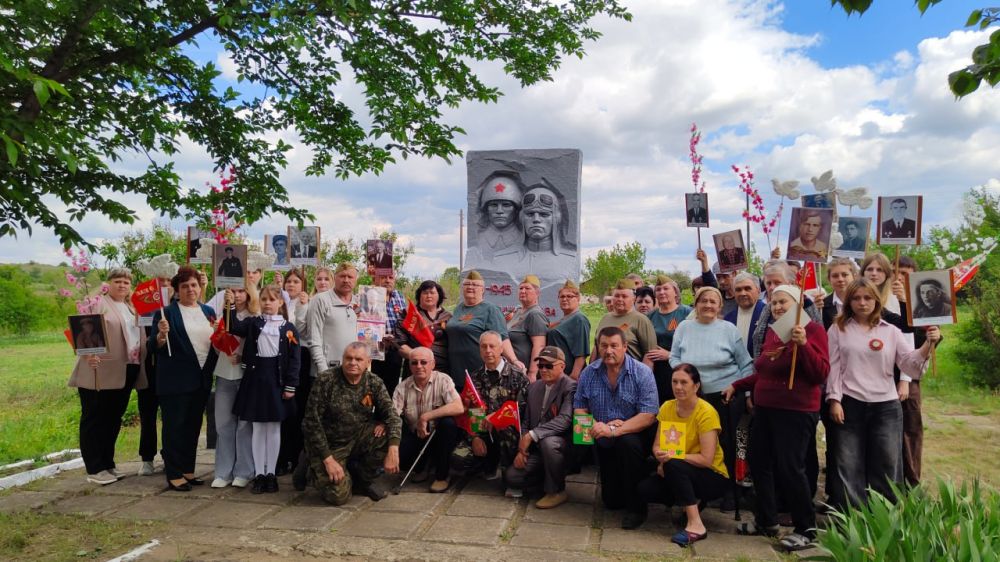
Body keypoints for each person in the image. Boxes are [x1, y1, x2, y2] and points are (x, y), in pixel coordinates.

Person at [723, 285, 830, 550]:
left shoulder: (812, 330)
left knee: (790, 468)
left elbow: (820, 373)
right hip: (766, 408)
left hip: (795, 410)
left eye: (784, 302)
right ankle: (766, 520)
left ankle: (806, 529)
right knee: (759, 463)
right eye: (774, 303)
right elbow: (766, 370)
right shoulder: (775, 331)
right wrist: (738, 384)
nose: (778, 307)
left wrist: (803, 344)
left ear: (797, 303)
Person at [826, 279, 940, 509]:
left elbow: (909, 365)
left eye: (867, 298)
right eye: (856, 298)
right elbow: (833, 367)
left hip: (886, 407)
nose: (862, 303)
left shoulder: (891, 331)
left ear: (876, 301)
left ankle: (885, 517)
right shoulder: (838, 329)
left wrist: (928, 345)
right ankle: (852, 519)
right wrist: (834, 399)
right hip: (850, 404)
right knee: (849, 464)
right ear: (849, 302)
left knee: (887, 465)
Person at [669, 286, 753, 507]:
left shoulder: (729, 329)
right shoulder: (685, 327)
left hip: (724, 394)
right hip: (691, 395)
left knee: (724, 443)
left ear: (719, 306)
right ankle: (692, 489)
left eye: (712, 302)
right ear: (695, 304)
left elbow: (746, 364)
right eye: (703, 301)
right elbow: (675, 356)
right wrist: (683, 377)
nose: (707, 305)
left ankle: (726, 489)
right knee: (691, 441)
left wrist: (740, 388)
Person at [636, 364, 730, 546]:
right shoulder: (667, 407)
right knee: (645, 489)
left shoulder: (706, 412)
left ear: (696, 386)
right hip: (678, 468)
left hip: (712, 475)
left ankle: (696, 525)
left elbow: (706, 459)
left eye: (684, 382)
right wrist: (661, 458)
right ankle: (686, 500)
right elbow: (656, 446)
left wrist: (671, 458)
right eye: (675, 382)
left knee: (674, 465)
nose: (678, 387)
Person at [69, 269, 148, 485]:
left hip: (126, 369)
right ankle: (94, 468)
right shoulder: (97, 303)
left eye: (126, 282)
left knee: (113, 419)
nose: (122, 285)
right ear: (108, 283)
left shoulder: (132, 308)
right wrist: (87, 356)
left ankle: (107, 463)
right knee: (94, 418)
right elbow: (80, 332)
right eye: (117, 281)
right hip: (99, 370)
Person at [575, 326, 658, 529]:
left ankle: (637, 508)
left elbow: (648, 415)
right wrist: (597, 427)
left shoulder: (642, 372)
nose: (608, 351)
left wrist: (616, 430)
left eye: (614, 346)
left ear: (625, 347)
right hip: (603, 436)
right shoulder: (589, 372)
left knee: (627, 444)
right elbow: (579, 408)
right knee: (611, 502)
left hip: (633, 435)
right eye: (604, 346)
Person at [302, 342, 401, 505]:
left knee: (387, 435)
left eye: (358, 359)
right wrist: (328, 460)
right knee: (338, 496)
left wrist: (394, 449)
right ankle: (310, 466)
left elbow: (392, 415)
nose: (353, 363)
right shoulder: (326, 380)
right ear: (343, 359)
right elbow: (311, 423)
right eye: (348, 358)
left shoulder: (373, 381)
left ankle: (362, 480)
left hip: (357, 437)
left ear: (368, 362)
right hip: (330, 444)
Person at [149, 266, 219, 492]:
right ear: (177, 290)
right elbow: (153, 346)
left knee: (193, 425)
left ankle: (188, 469)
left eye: (194, 285)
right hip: (175, 381)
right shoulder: (166, 313)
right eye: (185, 286)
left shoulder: (208, 311)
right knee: (174, 426)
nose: (190, 289)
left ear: (200, 287)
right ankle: (174, 472)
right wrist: (161, 335)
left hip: (201, 379)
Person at [225, 285, 301, 494]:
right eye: (264, 299)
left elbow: (295, 360)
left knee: (274, 428)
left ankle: (271, 474)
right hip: (256, 379)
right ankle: (259, 474)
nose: (267, 303)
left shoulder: (289, 328)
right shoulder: (253, 323)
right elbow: (232, 327)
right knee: (258, 428)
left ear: (281, 303)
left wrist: (290, 385)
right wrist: (230, 304)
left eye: (272, 299)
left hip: (276, 381)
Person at [505, 346, 577, 508]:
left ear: (562, 366)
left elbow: (565, 420)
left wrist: (531, 435)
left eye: (549, 366)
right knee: (511, 477)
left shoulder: (570, 387)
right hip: (536, 448)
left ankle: (556, 491)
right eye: (541, 366)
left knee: (549, 443)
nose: (543, 370)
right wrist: (522, 449)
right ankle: (547, 478)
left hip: (561, 446)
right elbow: (526, 420)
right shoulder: (534, 387)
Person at [393, 347, 464, 493]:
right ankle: (422, 467)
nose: (419, 366)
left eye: (423, 362)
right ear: (409, 366)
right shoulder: (402, 387)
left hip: (439, 436)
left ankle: (442, 476)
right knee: (401, 457)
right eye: (414, 363)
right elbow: (393, 415)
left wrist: (426, 416)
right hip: (418, 436)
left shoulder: (443, 380)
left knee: (448, 424)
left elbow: (458, 407)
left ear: (433, 364)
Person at [209, 283, 258, 489]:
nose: (237, 295)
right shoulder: (222, 316)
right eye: (233, 291)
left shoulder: (255, 318)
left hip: (246, 375)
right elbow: (215, 342)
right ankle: (223, 471)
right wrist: (223, 351)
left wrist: (243, 355)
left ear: (248, 293)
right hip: (224, 373)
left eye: (241, 291)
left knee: (244, 425)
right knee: (223, 423)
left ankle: (245, 470)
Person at [467, 331, 529, 485]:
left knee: (512, 479)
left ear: (501, 349)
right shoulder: (475, 377)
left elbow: (522, 410)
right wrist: (475, 437)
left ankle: (510, 471)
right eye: (484, 347)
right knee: (459, 460)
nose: (488, 350)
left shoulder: (517, 376)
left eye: (492, 346)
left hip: (510, 432)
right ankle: (488, 465)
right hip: (484, 429)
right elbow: (473, 410)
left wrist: (496, 417)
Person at [445, 270, 521, 390]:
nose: (470, 287)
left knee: (477, 408)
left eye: (475, 285)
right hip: (456, 372)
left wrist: (514, 360)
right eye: (467, 284)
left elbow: (502, 338)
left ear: (483, 289)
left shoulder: (490, 310)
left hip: (479, 374)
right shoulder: (459, 308)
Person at [492, 183, 578, 278]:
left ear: (556, 219)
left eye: (544, 214)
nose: (536, 219)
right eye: (530, 214)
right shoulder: (501, 259)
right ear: (521, 218)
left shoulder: (570, 260)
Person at [750, 261, 821, 359]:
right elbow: (758, 340)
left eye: (777, 282)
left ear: (791, 283)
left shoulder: (806, 305)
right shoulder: (767, 307)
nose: (772, 287)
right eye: (768, 283)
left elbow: (818, 343)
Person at [642, 274, 692, 403]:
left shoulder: (687, 313)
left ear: (675, 292)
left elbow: (695, 345)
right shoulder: (649, 316)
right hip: (656, 370)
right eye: (658, 290)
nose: (661, 292)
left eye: (665, 288)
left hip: (680, 368)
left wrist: (669, 355)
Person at [306, 263, 358, 375]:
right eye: (342, 276)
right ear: (334, 278)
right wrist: (323, 370)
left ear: (356, 280)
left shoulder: (359, 303)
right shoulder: (320, 300)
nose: (346, 280)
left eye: (350, 277)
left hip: (352, 372)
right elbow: (313, 338)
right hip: (326, 372)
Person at [593, 279, 656, 362]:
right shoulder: (605, 318)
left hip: (630, 372)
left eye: (624, 296)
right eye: (617, 296)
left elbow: (649, 354)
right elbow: (596, 347)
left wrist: (644, 374)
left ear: (634, 299)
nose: (620, 299)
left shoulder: (641, 320)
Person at [397, 280, 453, 375]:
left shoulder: (448, 316)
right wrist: (420, 359)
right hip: (416, 369)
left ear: (439, 295)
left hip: (442, 370)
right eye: (425, 293)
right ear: (419, 295)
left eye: (432, 292)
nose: (429, 296)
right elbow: (400, 344)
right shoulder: (408, 314)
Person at [467, 172, 525, 264]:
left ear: (516, 209)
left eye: (506, 205)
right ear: (486, 209)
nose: (499, 211)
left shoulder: (524, 239)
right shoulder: (479, 239)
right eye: (493, 205)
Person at [371, 272, 407, 397]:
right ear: (376, 279)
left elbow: (405, 322)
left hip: (394, 350)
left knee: (392, 389)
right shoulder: (369, 295)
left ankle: (388, 415)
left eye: (391, 277)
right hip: (374, 351)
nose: (388, 280)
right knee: (374, 389)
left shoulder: (399, 296)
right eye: (383, 277)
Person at [507, 274, 549, 381]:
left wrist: (532, 373)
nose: (523, 291)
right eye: (521, 288)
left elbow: (539, 346)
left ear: (537, 293)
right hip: (512, 371)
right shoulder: (519, 312)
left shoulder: (535, 314)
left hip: (523, 374)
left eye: (527, 288)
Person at [546, 280, 591, 380]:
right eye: (562, 297)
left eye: (569, 296)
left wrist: (573, 377)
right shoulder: (563, 320)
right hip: (556, 374)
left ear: (578, 298)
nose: (565, 299)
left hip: (568, 377)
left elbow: (581, 353)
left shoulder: (579, 319)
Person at [724, 272, 765, 356]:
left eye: (747, 288)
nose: (743, 293)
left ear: (758, 290)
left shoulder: (768, 313)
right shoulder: (727, 319)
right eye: (738, 290)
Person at [697, 250, 738, 317]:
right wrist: (704, 261)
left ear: (734, 273)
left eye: (725, 276)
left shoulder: (741, 296)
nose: (722, 281)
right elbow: (710, 281)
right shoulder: (718, 295)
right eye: (718, 277)